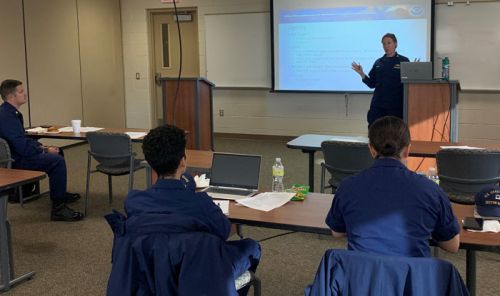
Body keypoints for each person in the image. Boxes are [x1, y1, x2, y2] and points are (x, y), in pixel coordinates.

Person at [120, 124, 260, 294]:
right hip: (197, 275)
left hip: (152, 274)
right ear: (183, 161)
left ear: (149, 162)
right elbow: (223, 231)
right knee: (252, 247)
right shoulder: (201, 205)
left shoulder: (135, 201)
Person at [325, 116, 460, 257]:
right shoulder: (431, 190)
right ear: (407, 150)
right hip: (411, 277)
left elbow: (337, 232)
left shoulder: (347, 186)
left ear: (371, 149)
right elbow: (452, 245)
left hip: (362, 277)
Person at [0, 79, 83, 222]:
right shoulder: (7, 116)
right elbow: (21, 146)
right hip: (16, 159)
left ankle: (60, 194)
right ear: (11, 97)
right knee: (56, 161)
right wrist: (43, 150)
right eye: (21, 92)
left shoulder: (9, 112)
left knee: (57, 152)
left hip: (17, 153)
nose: (25, 94)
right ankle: (58, 209)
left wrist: (43, 148)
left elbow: (20, 140)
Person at [352, 33, 410, 127]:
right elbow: (371, 84)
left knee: (394, 134)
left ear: (395, 44)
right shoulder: (378, 62)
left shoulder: (404, 61)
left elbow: (408, 83)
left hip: (395, 106)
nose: (386, 46)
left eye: (389, 43)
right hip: (378, 105)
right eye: (384, 44)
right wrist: (361, 73)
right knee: (374, 131)